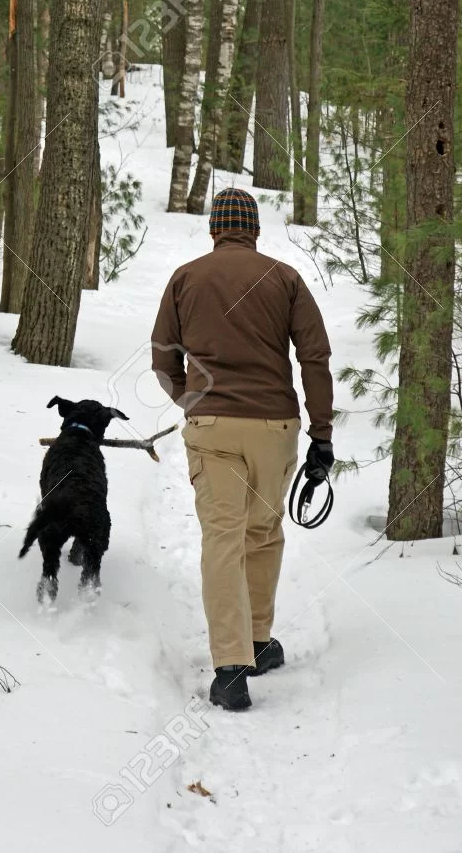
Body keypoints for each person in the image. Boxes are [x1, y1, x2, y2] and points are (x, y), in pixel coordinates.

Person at [151, 187, 334, 711]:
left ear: (214, 228)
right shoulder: (284, 278)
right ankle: (256, 640)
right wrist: (321, 434)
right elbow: (315, 357)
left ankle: (231, 669)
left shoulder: (185, 278)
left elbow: (163, 355)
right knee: (262, 532)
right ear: (254, 229)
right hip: (275, 426)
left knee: (222, 539)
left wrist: (191, 399)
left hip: (212, 426)